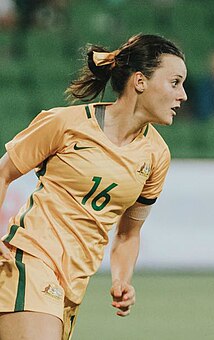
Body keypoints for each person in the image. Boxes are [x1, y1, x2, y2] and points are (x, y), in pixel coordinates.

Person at [0, 33, 187, 340]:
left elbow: (128, 233)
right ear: (140, 81)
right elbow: (3, 172)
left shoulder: (156, 155)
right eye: (175, 82)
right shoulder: (66, 123)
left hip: (73, 286)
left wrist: (121, 278)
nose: (183, 95)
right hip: (30, 261)